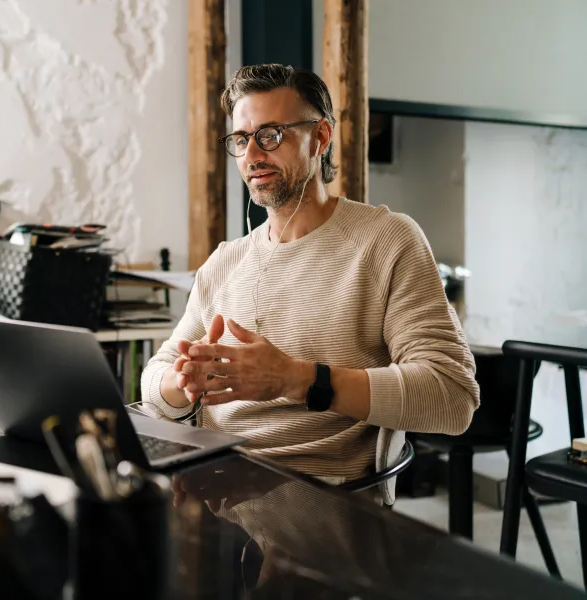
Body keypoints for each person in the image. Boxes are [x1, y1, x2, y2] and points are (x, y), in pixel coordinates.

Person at [139, 64, 479, 496]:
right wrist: (181, 382)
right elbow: (155, 381)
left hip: (322, 505)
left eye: (270, 135)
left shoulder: (386, 240)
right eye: (241, 140)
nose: (252, 156)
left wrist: (296, 379)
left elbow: (451, 397)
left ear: (320, 137)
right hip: (216, 493)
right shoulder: (225, 262)